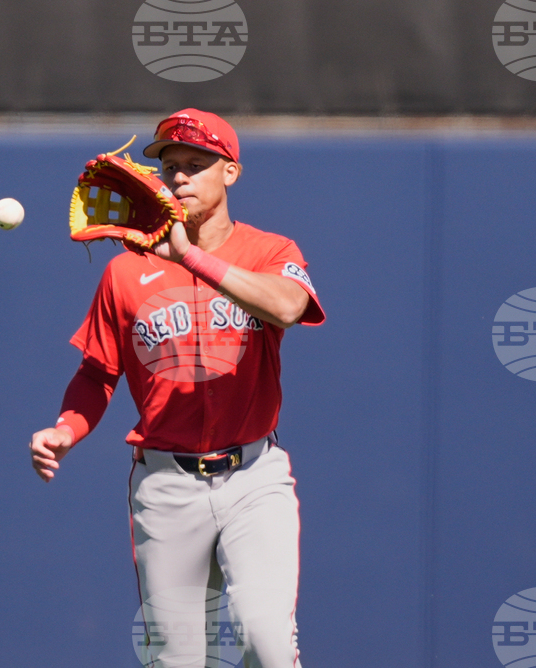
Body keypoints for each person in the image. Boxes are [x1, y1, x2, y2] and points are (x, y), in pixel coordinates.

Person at [29, 109, 324, 667]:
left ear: (230, 172)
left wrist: (188, 254)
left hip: (254, 477)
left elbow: (288, 307)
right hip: (165, 485)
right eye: (170, 167)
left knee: (266, 642)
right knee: (180, 661)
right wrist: (66, 429)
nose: (180, 177)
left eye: (197, 163)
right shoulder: (124, 272)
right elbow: (97, 373)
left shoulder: (271, 251)